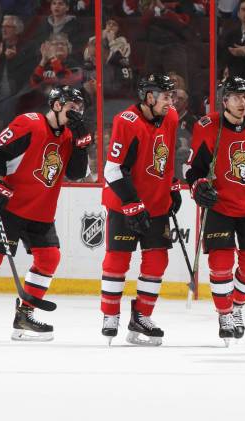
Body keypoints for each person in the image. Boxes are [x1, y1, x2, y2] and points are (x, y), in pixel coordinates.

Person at [0, 85, 92, 341]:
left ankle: (24, 316)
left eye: (80, 108)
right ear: (57, 105)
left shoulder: (70, 136)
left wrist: (81, 145)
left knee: (49, 259)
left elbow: (77, 174)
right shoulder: (30, 124)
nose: (77, 113)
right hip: (8, 206)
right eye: (72, 107)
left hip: (41, 210)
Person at [185, 76, 245, 344]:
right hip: (220, 205)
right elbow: (192, 169)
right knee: (220, 264)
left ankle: (237, 306)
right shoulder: (207, 127)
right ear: (224, 100)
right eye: (236, 97)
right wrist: (198, 186)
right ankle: (225, 314)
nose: (242, 101)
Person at [100, 73, 180, 346]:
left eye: (172, 96)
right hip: (124, 204)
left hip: (156, 203)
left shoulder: (171, 117)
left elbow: (166, 157)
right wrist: (132, 203)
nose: (171, 101)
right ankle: (110, 315)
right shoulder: (127, 120)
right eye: (166, 96)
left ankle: (141, 317)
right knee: (118, 260)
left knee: (158, 261)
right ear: (149, 97)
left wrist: (172, 187)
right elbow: (112, 169)